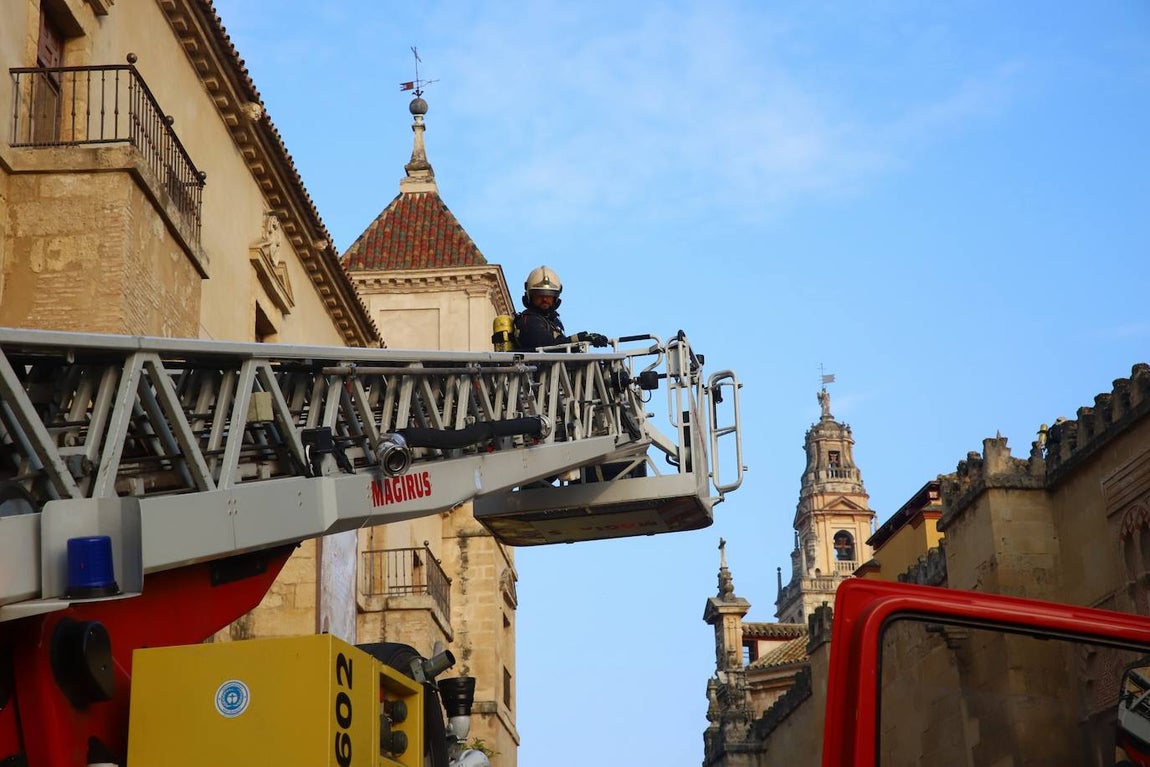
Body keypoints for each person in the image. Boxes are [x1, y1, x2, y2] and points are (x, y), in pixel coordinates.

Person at [513, 265, 609, 351]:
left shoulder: (553, 322)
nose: (545, 299)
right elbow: (548, 348)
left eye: (549, 295)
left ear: (555, 297)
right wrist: (580, 338)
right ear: (530, 296)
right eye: (539, 295)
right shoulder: (529, 321)